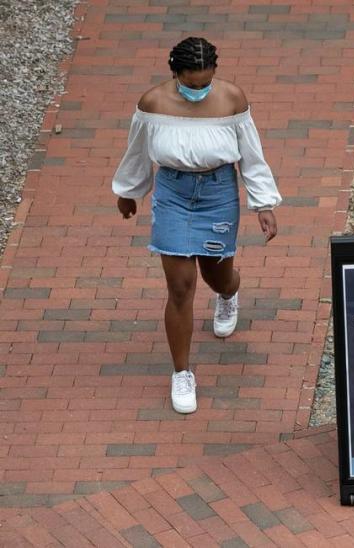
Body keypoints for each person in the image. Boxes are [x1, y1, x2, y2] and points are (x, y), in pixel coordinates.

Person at [112, 37, 282, 414]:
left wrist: (264, 203)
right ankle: (182, 373)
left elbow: (252, 157)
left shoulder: (233, 100)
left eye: (205, 82)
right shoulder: (152, 103)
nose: (199, 90)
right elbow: (137, 151)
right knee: (180, 286)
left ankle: (228, 293)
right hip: (172, 193)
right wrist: (128, 191)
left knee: (216, 277)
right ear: (176, 74)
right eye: (191, 84)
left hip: (218, 193)